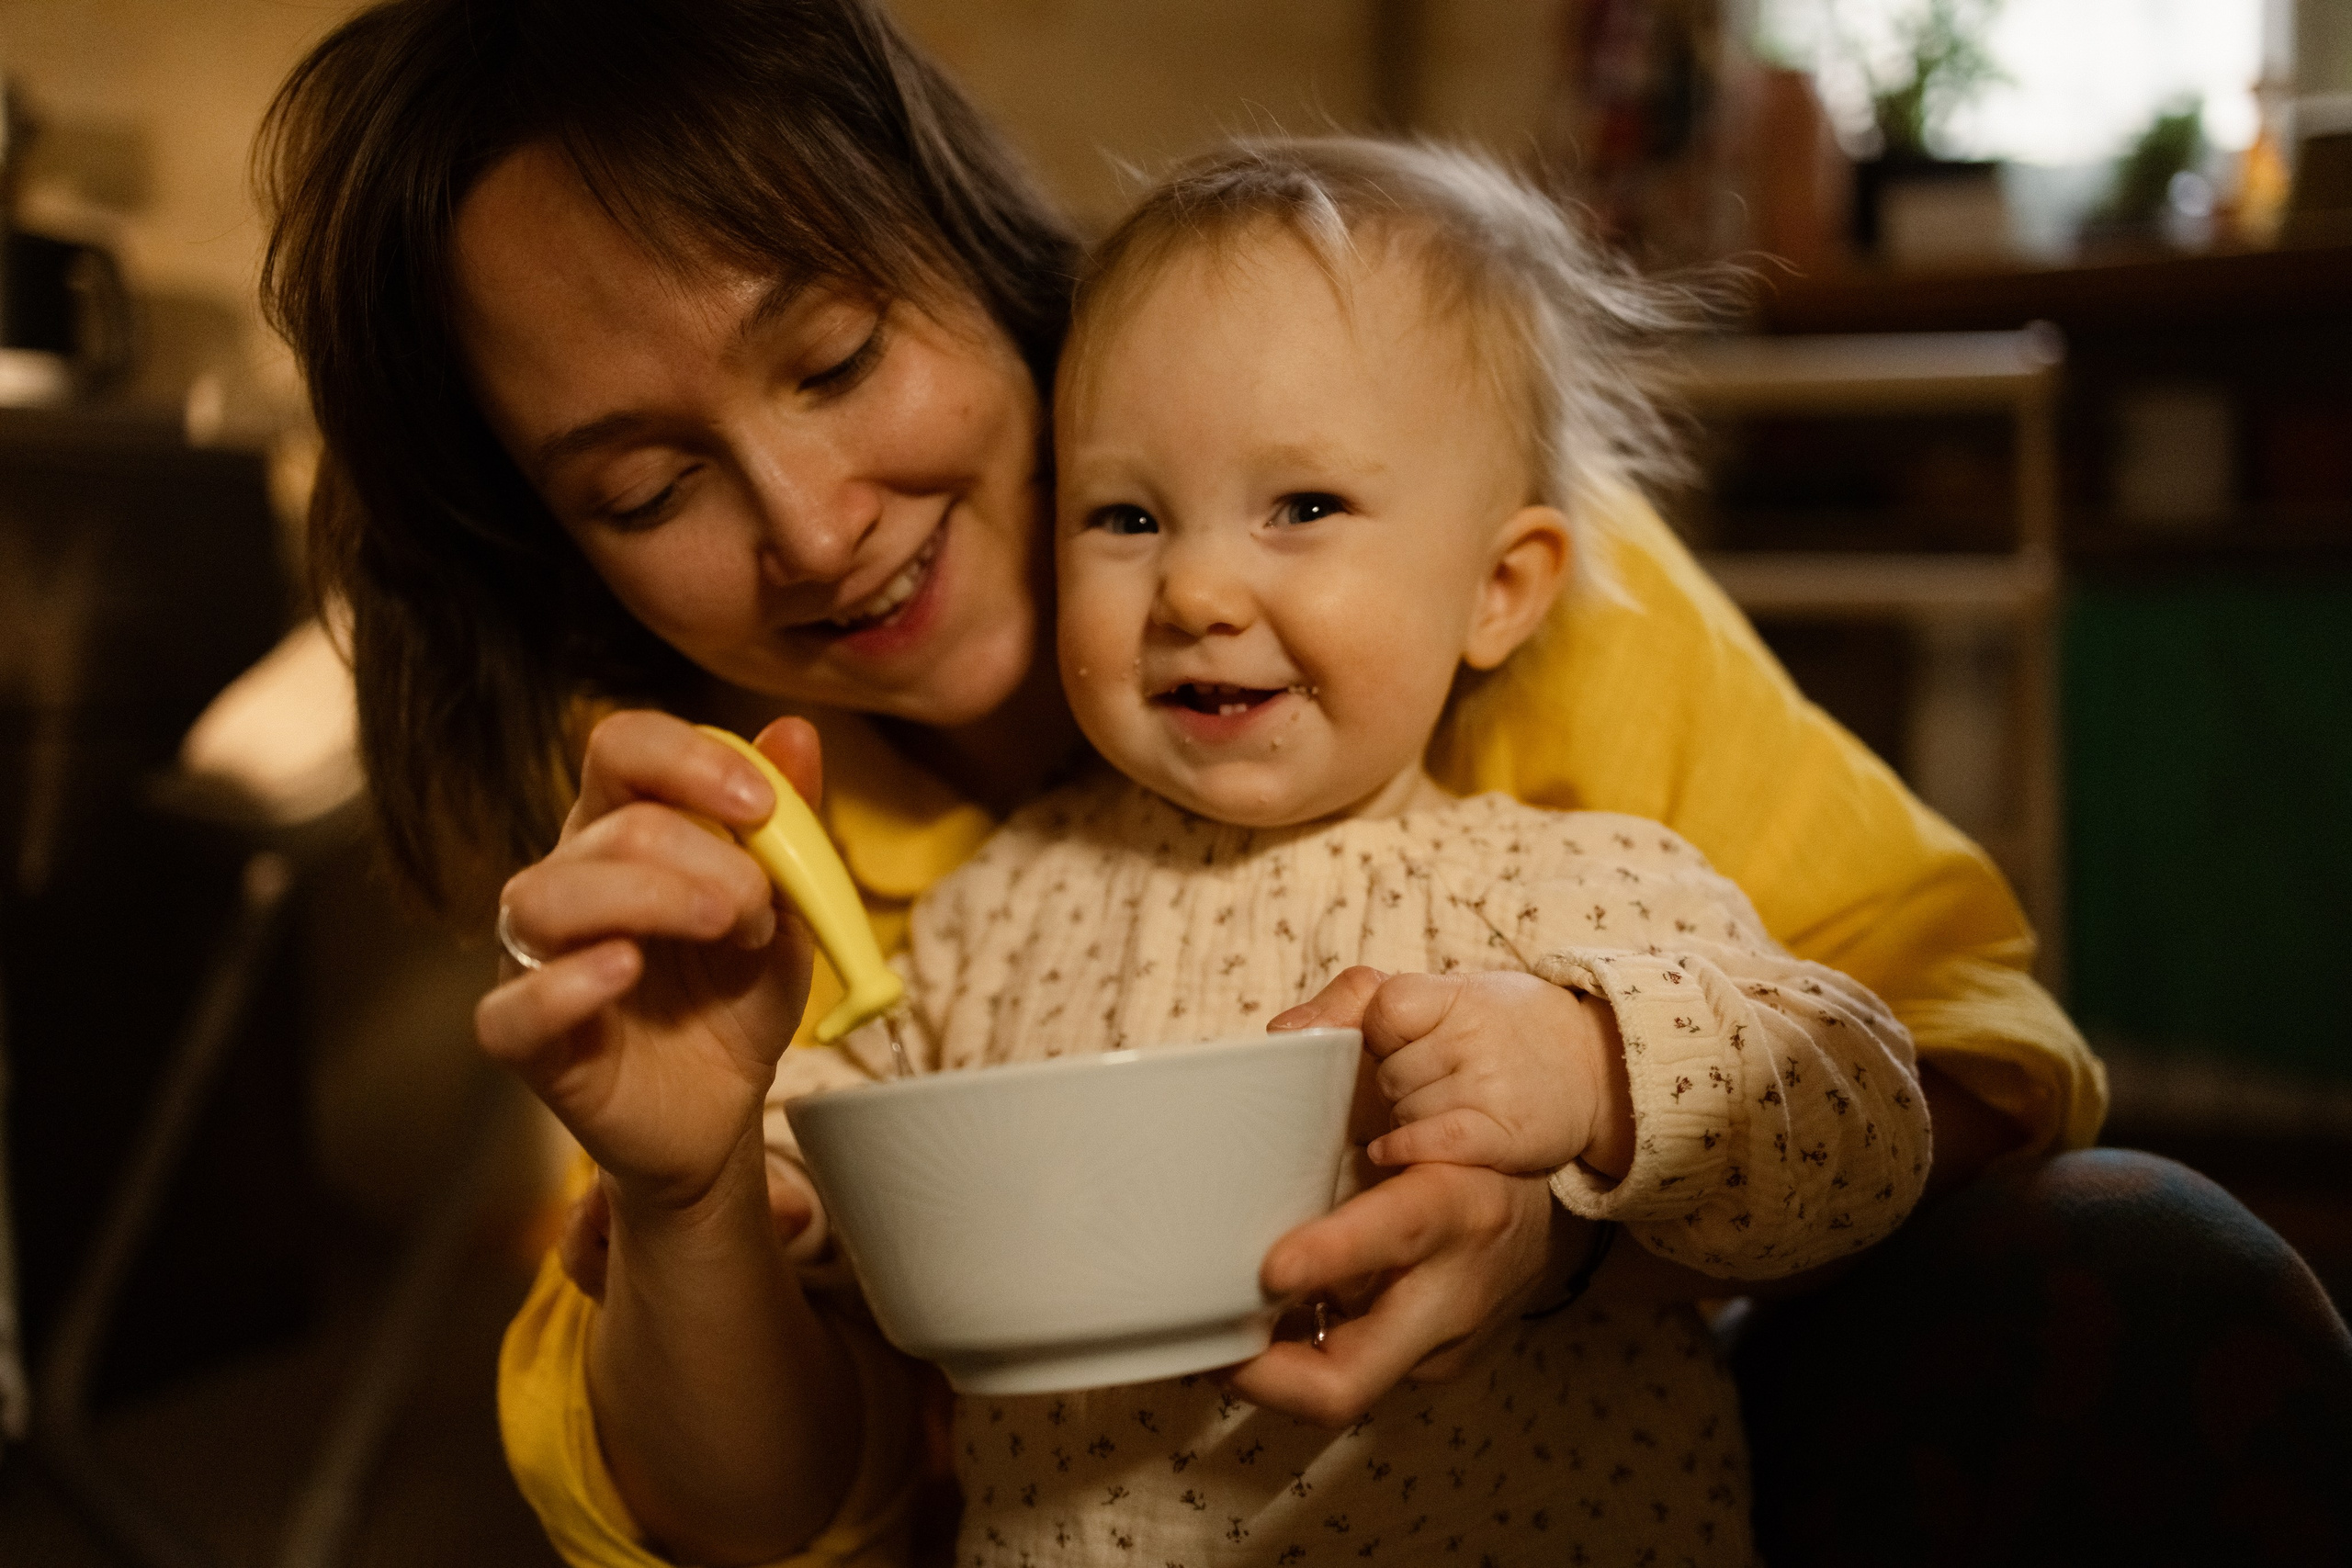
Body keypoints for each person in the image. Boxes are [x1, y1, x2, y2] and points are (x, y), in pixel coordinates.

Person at [253, 3, 2348, 1566]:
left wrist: (1570, 1205)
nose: (808, 526)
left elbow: (1943, 1039)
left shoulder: (1440, 562)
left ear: (976, 263)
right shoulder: (708, 842)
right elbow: (735, 1514)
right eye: (645, 483)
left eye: (829, 359)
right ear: (569, 553)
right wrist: (693, 1189)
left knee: (2144, 1262)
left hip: (1600, 1469)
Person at [748, 135, 1933, 1566]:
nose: (1192, 586)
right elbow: (869, 1122)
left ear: (1500, 590)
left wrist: (1596, 1070)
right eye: (1124, 517)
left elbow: (1864, 1123)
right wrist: (770, 1183)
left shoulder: (1562, 891)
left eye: (1301, 508)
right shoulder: (994, 908)